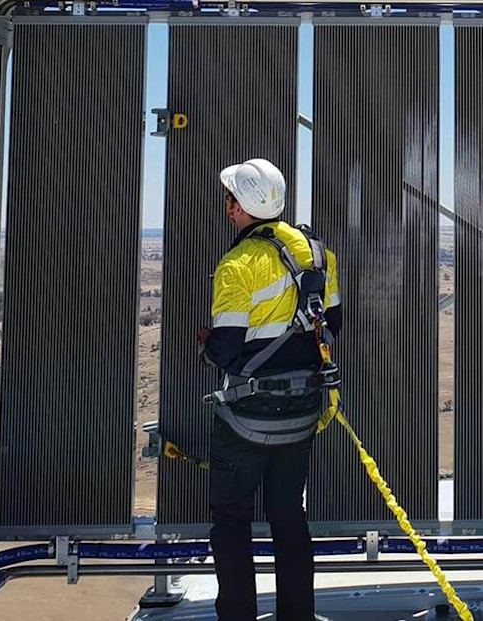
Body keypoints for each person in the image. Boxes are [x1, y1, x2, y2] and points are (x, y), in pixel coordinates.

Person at [196, 157, 341, 621]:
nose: (227, 207)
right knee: (289, 518)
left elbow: (225, 348)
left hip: (246, 417)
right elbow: (332, 327)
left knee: (233, 522)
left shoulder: (238, 264)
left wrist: (207, 346)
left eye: (230, 199)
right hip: (301, 412)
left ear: (239, 207)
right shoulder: (318, 255)